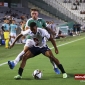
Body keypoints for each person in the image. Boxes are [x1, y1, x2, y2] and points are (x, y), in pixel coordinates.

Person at [8, 8, 60, 74]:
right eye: (32, 13)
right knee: (24, 51)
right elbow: (26, 30)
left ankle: (55, 67)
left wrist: (54, 33)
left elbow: (47, 28)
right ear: (31, 14)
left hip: (41, 40)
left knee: (49, 55)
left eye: (35, 13)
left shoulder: (41, 20)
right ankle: (14, 63)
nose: (34, 15)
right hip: (31, 39)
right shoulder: (29, 21)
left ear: (37, 14)